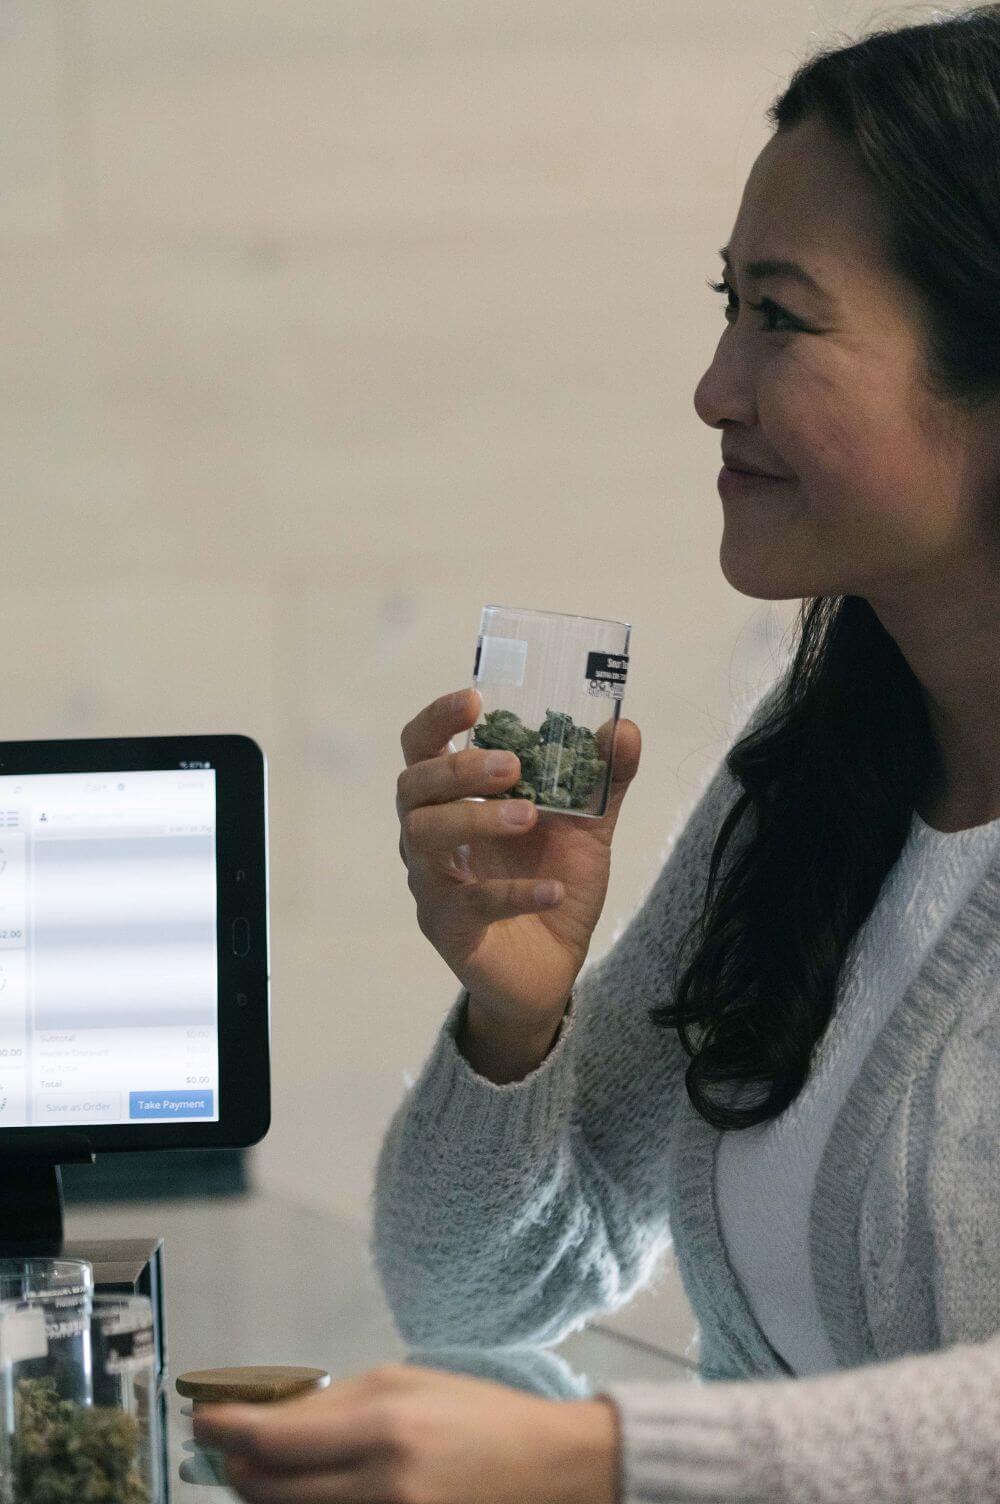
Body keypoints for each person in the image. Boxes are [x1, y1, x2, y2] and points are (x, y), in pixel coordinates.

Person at [194, 5, 1000, 1501]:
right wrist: (519, 1023)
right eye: (726, 306)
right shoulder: (825, 762)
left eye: (782, 317)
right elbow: (476, 1307)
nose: (713, 387)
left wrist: (613, 1455)